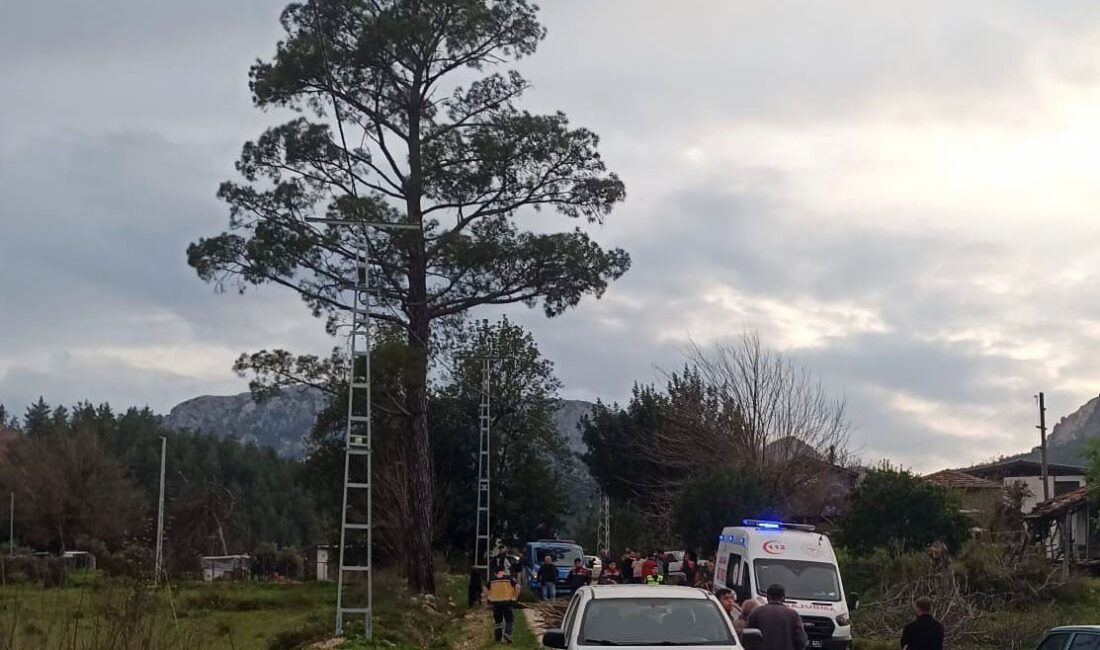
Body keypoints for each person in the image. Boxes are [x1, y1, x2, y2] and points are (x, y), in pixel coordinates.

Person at [746, 584, 807, 650]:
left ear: (767, 596)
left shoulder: (756, 612)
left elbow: (748, 636)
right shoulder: (793, 615)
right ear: (783, 597)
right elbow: (801, 640)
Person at [485, 567, 520, 644]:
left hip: (496, 603)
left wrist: (489, 597)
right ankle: (508, 634)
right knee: (509, 620)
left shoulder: (492, 580)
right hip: (507, 602)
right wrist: (515, 597)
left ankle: (498, 639)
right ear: (503, 571)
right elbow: (517, 587)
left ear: (496, 573)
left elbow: (485, 588)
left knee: (498, 622)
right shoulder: (509, 578)